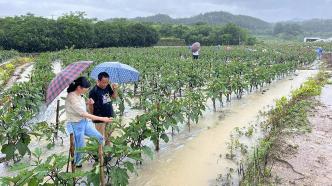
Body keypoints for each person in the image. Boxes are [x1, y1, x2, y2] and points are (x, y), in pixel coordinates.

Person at [65, 76, 112, 168]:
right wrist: (103, 119)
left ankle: (96, 154)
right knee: (80, 145)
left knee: (99, 137)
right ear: (79, 88)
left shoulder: (79, 95)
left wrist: (87, 102)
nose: (86, 91)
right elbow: (83, 113)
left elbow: (81, 107)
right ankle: (77, 164)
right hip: (75, 124)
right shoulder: (71, 97)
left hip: (84, 122)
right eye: (85, 89)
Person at [88, 72, 118, 145]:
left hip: (109, 115)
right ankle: (99, 155)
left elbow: (114, 97)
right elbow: (91, 107)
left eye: (107, 82)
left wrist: (115, 89)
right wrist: (93, 117)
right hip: (99, 118)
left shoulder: (107, 86)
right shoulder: (93, 91)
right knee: (99, 138)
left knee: (108, 137)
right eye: (103, 82)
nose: (105, 84)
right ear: (98, 81)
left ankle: (108, 155)